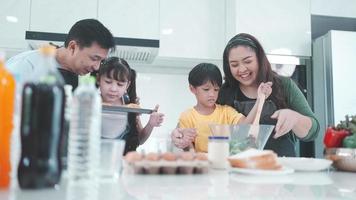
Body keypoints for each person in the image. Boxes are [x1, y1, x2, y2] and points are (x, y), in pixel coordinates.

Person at [217, 33, 320, 157]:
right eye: (234, 65)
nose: (241, 69)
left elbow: (313, 131)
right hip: (239, 166)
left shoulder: (284, 85)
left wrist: (295, 118)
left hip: (281, 165)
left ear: (260, 59)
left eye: (248, 61)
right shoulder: (224, 92)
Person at [171, 63, 272, 152]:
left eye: (216, 89)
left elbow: (246, 125)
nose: (212, 94)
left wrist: (259, 100)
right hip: (202, 165)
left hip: (224, 163)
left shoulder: (226, 112)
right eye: (206, 89)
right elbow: (188, 149)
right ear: (192, 89)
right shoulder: (187, 116)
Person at [6, 18, 115, 90]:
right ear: (73, 47)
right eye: (94, 58)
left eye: (101, 61)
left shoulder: (78, 77)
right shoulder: (26, 64)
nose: (96, 67)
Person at [97, 57, 164, 154]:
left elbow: (140, 140)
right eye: (108, 82)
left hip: (124, 163)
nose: (113, 89)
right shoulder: (90, 103)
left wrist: (151, 124)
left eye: (120, 84)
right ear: (99, 79)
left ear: (127, 85)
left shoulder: (131, 106)